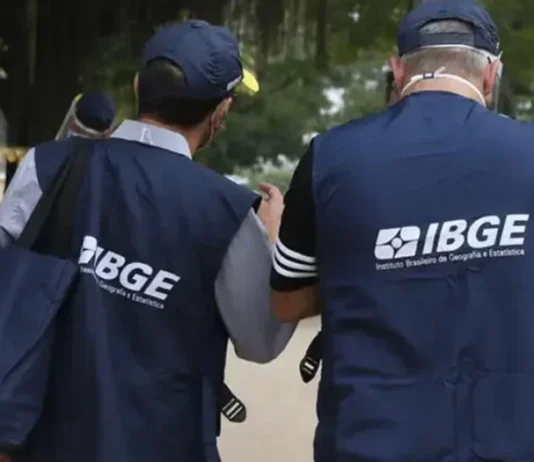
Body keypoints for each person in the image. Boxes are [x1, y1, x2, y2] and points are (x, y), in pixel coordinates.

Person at [0, 20, 295, 462]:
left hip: (39, 442)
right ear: (221, 112)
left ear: (138, 85)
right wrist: (271, 243)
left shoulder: (46, 165)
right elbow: (260, 342)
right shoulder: (228, 213)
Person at [271, 1, 534, 460]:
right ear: (492, 74)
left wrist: (371, 269)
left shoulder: (330, 157)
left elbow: (286, 303)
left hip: (369, 440)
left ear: (396, 69)